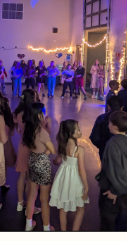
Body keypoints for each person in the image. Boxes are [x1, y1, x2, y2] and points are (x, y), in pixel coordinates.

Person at [98, 109, 127, 231]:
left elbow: (114, 168)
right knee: (124, 216)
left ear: (114, 126)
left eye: (110, 123)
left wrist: (114, 191)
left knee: (108, 218)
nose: (108, 125)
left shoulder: (113, 144)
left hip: (113, 188)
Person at [21, 98, 56, 231]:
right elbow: (53, 150)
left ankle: (28, 224)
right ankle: (46, 227)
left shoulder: (28, 129)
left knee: (31, 195)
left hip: (32, 160)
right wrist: (49, 127)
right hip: (42, 164)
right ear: (40, 115)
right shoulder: (43, 133)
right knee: (44, 198)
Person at [51, 119, 88, 230]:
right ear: (71, 133)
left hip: (63, 177)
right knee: (80, 209)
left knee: (63, 209)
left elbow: (57, 161)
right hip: (75, 178)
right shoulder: (79, 149)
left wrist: (55, 160)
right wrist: (86, 186)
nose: (80, 131)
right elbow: (81, 170)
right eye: (77, 129)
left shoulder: (63, 145)